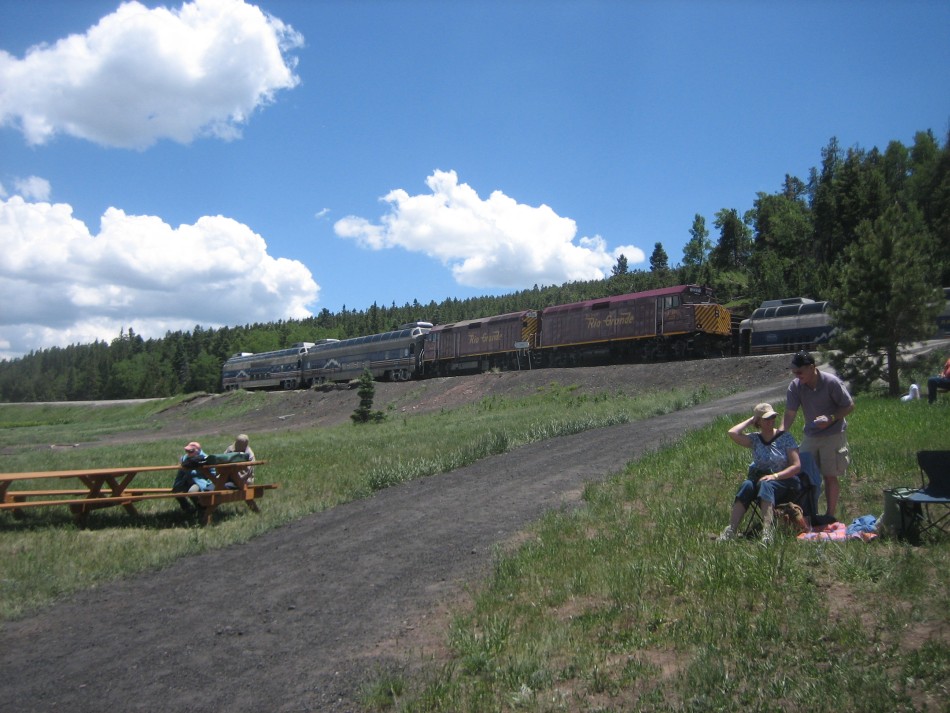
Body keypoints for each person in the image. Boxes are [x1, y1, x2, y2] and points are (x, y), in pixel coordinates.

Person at [781, 351, 854, 520]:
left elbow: (849, 406)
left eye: (800, 372)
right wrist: (781, 432)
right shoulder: (795, 386)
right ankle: (807, 514)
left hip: (833, 434)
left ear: (812, 367)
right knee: (804, 474)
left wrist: (831, 418)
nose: (797, 376)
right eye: (794, 372)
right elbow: (790, 412)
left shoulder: (831, 382)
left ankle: (829, 515)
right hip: (811, 435)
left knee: (829, 475)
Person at [718, 402, 802, 545]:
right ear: (758, 422)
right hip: (761, 480)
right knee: (747, 485)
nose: (770, 421)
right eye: (766, 418)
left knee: (765, 484)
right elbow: (732, 433)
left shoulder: (785, 437)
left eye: (772, 417)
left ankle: (767, 532)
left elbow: (796, 466)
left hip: (785, 481)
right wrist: (751, 420)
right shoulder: (755, 439)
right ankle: (731, 529)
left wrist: (775, 476)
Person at [172, 441, 214, 512]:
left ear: (197, 450)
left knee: (192, 492)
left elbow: (213, 472)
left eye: (191, 451)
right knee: (176, 492)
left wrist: (210, 484)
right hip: (186, 480)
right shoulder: (184, 458)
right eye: (187, 451)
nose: (188, 453)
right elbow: (180, 473)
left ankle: (201, 508)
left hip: (199, 481)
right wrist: (177, 483)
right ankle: (187, 508)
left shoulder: (206, 458)